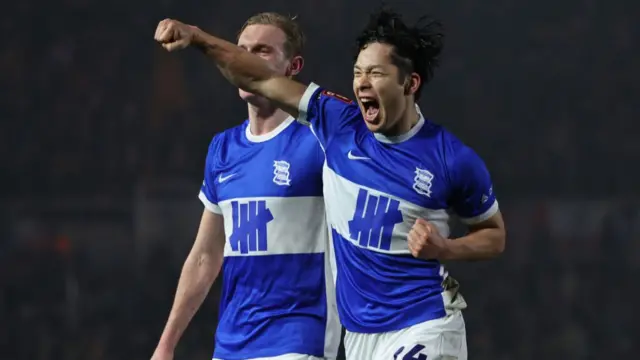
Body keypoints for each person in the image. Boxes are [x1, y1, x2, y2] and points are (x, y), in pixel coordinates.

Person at [154, 7, 506, 360]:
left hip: (422, 323)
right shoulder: (338, 127)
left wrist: (446, 249)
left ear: (409, 83)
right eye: (358, 73)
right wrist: (198, 38)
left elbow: (494, 235)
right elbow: (257, 78)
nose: (362, 83)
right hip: (359, 338)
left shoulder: (449, 158)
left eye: (376, 73)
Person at [150, 12, 340, 360]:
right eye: (241, 49)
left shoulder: (320, 140)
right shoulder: (223, 148)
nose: (245, 59)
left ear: (292, 66)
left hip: (298, 338)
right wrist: (166, 345)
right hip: (233, 341)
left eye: (262, 50)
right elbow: (205, 255)